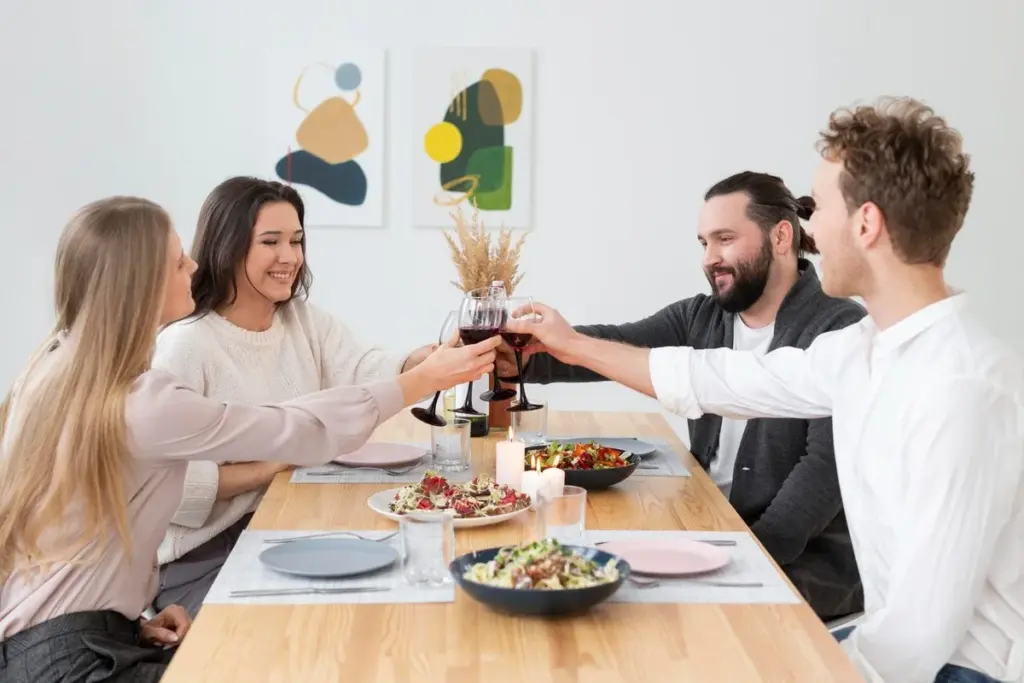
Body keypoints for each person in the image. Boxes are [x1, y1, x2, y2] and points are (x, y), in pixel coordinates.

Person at [506, 97, 1022, 683]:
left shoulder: (961, 387)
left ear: (866, 224)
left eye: (815, 207)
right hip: (892, 644)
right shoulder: (863, 350)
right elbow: (723, 378)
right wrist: (566, 344)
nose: (808, 228)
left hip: (958, 669)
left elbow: (918, 634)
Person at [0, 196, 499, 683]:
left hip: (62, 642)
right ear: (141, 284)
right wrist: (419, 383)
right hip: (71, 661)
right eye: (178, 262)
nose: (194, 265)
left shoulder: (52, 368)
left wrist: (129, 622)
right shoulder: (143, 401)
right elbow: (292, 428)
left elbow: (64, 545)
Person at [498, 171, 866, 620]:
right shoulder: (702, 316)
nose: (710, 258)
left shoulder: (839, 329)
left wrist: (736, 558)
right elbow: (618, 346)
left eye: (725, 239)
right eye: (703, 243)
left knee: (654, 617)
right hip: (710, 525)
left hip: (799, 559)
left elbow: (823, 472)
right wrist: (522, 356)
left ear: (782, 236)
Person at [149, 177, 437, 617]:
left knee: (392, 587)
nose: (290, 257)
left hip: (279, 523)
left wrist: (429, 359)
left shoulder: (299, 320)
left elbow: (362, 370)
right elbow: (167, 487)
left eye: (297, 241)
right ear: (228, 245)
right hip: (201, 557)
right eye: (271, 241)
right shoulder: (186, 345)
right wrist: (272, 466)